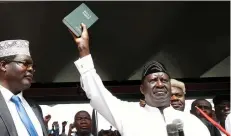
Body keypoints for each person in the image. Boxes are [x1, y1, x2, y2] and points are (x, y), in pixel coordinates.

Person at [71, 23, 210, 136]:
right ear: (142, 89)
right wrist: (83, 50)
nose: (160, 84)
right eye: (153, 80)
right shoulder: (129, 114)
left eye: (164, 80)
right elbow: (96, 92)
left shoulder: (193, 123)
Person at [0, 40, 48, 136]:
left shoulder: (35, 108)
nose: (30, 69)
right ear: (3, 65)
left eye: (32, 66)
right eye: (24, 63)